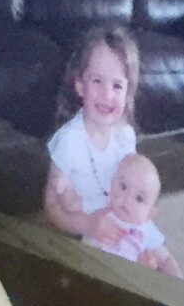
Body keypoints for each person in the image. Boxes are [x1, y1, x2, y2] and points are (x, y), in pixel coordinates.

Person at [42, 25, 143, 239]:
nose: (107, 94)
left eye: (117, 86)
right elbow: (50, 206)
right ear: (80, 85)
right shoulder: (69, 141)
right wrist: (86, 225)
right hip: (84, 231)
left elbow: (135, 184)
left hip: (120, 222)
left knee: (159, 253)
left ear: (128, 93)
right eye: (97, 81)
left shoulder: (125, 136)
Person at [88, 151, 183, 277]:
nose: (127, 199)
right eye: (123, 186)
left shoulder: (147, 229)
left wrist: (178, 282)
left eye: (139, 198)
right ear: (111, 183)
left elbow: (166, 260)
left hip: (125, 282)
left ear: (149, 214)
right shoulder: (100, 207)